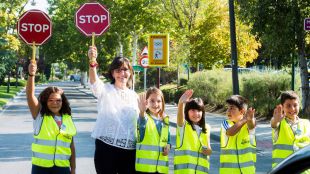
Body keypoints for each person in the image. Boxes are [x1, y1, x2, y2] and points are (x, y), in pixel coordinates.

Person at [88, 46, 139, 174]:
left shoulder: (135, 96)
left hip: (129, 150)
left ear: (131, 72)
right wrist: (92, 61)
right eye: (118, 70)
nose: (122, 73)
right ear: (112, 73)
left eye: (126, 70)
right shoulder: (105, 90)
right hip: (106, 148)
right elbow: (94, 82)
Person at [26, 60, 76, 174]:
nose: (55, 103)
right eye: (51, 100)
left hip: (63, 168)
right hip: (41, 168)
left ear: (63, 102)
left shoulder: (67, 118)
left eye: (58, 100)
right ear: (45, 101)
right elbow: (29, 95)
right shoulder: (40, 115)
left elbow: (71, 146)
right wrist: (31, 75)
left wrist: (73, 169)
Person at [174, 89, 212, 174]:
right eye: (193, 110)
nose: (196, 113)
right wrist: (181, 103)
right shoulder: (183, 126)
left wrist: (208, 150)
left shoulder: (207, 128)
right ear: (187, 112)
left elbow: (209, 149)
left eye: (199, 111)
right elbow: (180, 118)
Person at [136, 87, 171, 174]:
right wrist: (141, 112)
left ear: (162, 103)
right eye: (152, 101)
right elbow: (141, 125)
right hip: (145, 169)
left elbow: (168, 140)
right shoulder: (144, 118)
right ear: (146, 102)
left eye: (159, 101)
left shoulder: (165, 121)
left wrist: (168, 146)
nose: (156, 104)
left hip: (161, 169)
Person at [271, 91, 310, 168]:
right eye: (288, 106)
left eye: (295, 105)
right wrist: (275, 120)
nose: (292, 109)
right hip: (283, 169)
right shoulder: (279, 123)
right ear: (282, 107)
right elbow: (273, 124)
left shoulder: (307, 123)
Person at [219, 95, 256, 174]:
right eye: (227, 108)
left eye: (231, 108)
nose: (228, 111)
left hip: (248, 171)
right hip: (229, 172)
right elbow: (230, 132)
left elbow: (252, 125)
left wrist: (249, 119)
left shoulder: (249, 123)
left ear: (242, 111)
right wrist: (245, 119)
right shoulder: (225, 123)